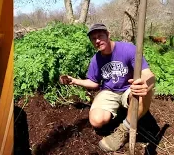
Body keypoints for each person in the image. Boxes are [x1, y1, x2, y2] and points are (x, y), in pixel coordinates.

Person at [59, 23, 155, 152]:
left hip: (129, 90)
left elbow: (147, 74)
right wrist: (73, 81)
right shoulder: (96, 60)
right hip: (109, 91)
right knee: (96, 121)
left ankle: (123, 129)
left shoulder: (128, 49)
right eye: (93, 38)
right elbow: (94, 83)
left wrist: (146, 84)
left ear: (108, 35)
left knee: (144, 93)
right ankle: (124, 112)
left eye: (100, 36)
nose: (97, 40)